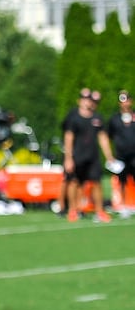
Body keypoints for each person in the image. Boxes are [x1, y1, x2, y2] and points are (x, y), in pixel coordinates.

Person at [62, 88, 118, 222]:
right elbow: (68, 138)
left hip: (92, 156)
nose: (88, 102)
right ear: (80, 101)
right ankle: (72, 210)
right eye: (85, 99)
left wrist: (109, 156)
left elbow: (103, 138)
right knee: (74, 182)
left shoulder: (97, 118)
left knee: (97, 183)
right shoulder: (74, 118)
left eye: (90, 100)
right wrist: (68, 158)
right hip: (77, 156)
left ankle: (100, 211)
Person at [107, 90, 135, 213]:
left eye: (127, 100)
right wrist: (110, 155)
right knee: (122, 181)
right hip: (121, 155)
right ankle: (123, 205)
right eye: (123, 101)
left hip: (134, 154)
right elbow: (108, 137)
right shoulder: (115, 119)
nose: (125, 104)